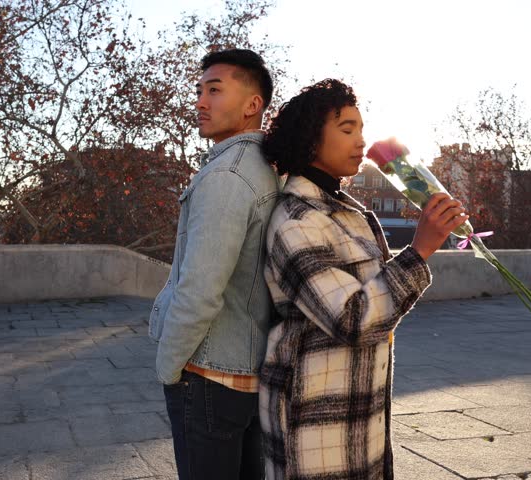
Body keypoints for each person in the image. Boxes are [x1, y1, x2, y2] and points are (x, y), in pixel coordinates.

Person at [258, 79, 468, 480]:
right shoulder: (296, 220)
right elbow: (353, 318)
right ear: (311, 139)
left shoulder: (346, 210)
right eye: (346, 129)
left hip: (359, 415)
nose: (360, 141)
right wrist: (420, 250)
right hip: (314, 420)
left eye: (361, 129)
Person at [148, 48, 280, 480]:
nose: (201, 101)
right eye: (200, 91)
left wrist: (170, 367)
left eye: (215, 90)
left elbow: (201, 289)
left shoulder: (226, 175)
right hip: (248, 375)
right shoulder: (268, 169)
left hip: (208, 375)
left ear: (252, 105)